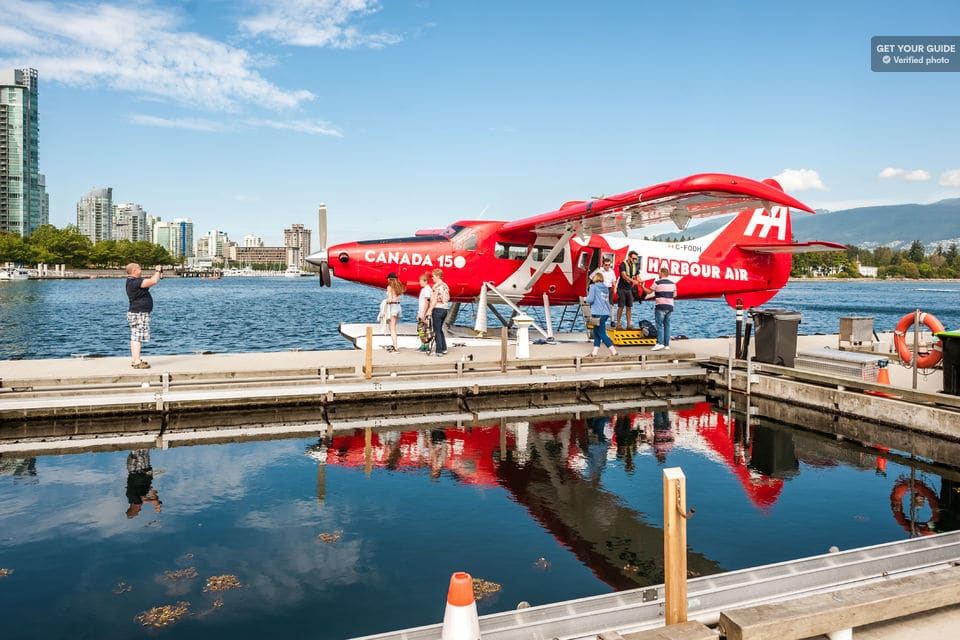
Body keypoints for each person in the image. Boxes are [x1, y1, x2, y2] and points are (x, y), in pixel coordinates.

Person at [125, 263, 162, 369]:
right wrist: (158, 271)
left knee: (135, 336)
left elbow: (149, 281)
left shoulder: (131, 281)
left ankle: (135, 359)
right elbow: (153, 281)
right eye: (139, 268)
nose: (141, 270)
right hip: (139, 313)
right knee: (137, 337)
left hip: (137, 312)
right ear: (135, 270)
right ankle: (137, 361)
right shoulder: (135, 282)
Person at [584, 272, 617, 357]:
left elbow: (590, 299)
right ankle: (594, 353)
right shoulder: (606, 288)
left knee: (601, 333)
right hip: (605, 312)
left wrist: (584, 299)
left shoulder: (593, 287)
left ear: (595, 278)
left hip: (597, 313)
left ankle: (613, 351)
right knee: (596, 332)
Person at [125, 449, 161, 519]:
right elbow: (151, 490)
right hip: (142, 469)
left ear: (133, 509)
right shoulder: (134, 497)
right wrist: (156, 503)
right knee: (144, 447)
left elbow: (149, 500)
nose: (140, 509)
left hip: (137, 468)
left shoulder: (134, 499)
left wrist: (156, 504)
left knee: (137, 448)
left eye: (138, 511)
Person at [650, 266, 676, 351]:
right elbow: (675, 295)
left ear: (662, 273)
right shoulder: (672, 283)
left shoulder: (657, 283)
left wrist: (642, 286)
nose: (658, 274)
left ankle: (659, 343)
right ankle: (666, 345)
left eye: (659, 272)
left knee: (659, 325)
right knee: (667, 325)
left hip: (660, 306)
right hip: (670, 306)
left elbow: (649, 291)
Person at [427, 268, 450, 356]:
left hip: (437, 309)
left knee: (436, 330)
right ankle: (444, 348)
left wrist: (429, 310)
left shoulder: (436, 287)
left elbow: (434, 300)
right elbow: (448, 298)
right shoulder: (445, 286)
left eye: (433, 276)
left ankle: (439, 351)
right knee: (440, 330)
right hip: (445, 309)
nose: (432, 278)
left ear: (437, 276)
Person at [615, 251, 641, 330]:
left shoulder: (635, 266)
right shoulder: (623, 265)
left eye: (636, 259)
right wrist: (633, 281)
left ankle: (629, 324)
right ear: (629, 257)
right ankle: (618, 324)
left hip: (629, 289)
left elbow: (637, 276)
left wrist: (640, 281)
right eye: (633, 258)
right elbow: (624, 276)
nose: (634, 260)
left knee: (629, 307)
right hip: (621, 289)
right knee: (621, 306)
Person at [384, 272, 406, 352]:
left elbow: (390, 299)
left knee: (392, 328)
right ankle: (395, 345)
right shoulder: (399, 287)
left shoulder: (389, 287)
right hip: (398, 307)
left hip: (393, 307)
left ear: (390, 279)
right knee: (393, 327)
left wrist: (385, 301)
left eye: (388, 278)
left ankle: (395, 346)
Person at [416, 272, 433, 353]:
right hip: (422, 312)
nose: (420, 282)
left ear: (425, 281)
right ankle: (423, 345)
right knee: (422, 330)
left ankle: (425, 346)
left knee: (424, 329)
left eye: (421, 281)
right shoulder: (425, 289)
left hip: (424, 313)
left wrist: (422, 314)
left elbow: (426, 302)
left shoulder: (426, 290)